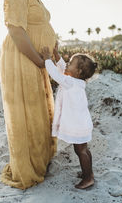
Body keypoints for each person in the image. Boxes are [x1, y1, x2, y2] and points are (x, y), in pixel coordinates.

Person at [0, 0, 75, 189]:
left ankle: (39, 160)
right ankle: (27, 167)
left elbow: (40, 28)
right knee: (26, 112)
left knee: (37, 111)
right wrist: (40, 61)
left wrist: (53, 52)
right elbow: (17, 32)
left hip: (36, 60)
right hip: (22, 58)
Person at [40, 44, 98, 189]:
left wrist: (48, 59)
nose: (67, 64)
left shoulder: (70, 82)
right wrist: (56, 55)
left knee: (81, 150)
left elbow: (56, 74)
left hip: (78, 125)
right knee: (84, 150)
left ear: (78, 71)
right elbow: (62, 69)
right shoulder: (75, 81)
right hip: (82, 124)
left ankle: (88, 178)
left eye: (70, 63)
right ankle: (88, 173)